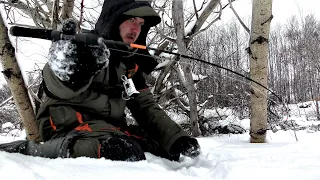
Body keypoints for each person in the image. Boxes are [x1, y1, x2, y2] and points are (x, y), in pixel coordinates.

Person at [0, 0, 200, 161]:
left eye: (140, 24)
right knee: (122, 151)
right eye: (132, 20)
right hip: (64, 127)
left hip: (107, 130)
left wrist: (176, 137)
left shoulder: (130, 65)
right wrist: (68, 68)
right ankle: (28, 151)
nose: (136, 28)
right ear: (114, 20)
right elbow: (55, 86)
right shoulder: (83, 48)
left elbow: (146, 106)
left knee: (165, 151)